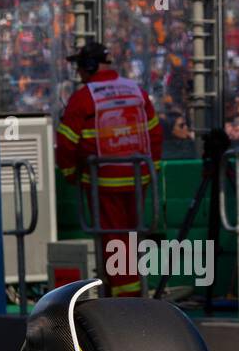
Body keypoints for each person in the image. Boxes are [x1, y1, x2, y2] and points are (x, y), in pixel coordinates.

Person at [55, 41, 163, 296]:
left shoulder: (84, 98)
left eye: (80, 67)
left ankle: (126, 304)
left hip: (104, 183)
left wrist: (72, 175)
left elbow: (67, 143)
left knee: (115, 242)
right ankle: (133, 297)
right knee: (131, 240)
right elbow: (155, 133)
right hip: (138, 181)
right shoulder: (136, 91)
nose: (79, 73)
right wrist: (151, 172)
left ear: (90, 66)